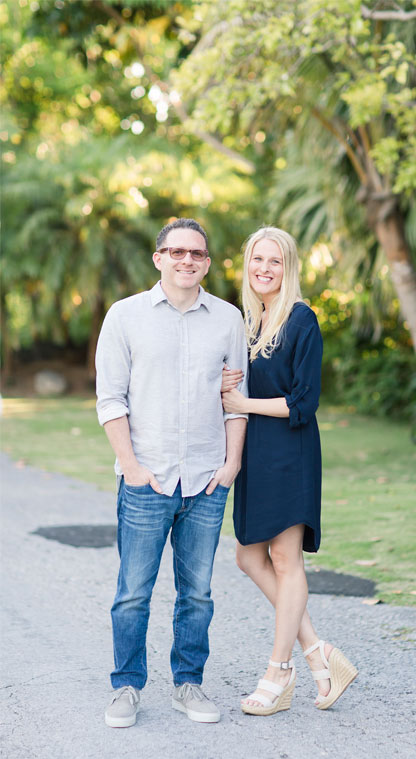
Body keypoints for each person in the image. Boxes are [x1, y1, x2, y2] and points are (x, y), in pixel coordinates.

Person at [95, 217, 249, 728]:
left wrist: (230, 465)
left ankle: (189, 683)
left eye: (197, 254)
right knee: (133, 592)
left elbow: (236, 402)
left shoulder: (228, 319)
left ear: (207, 263)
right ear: (158, 257)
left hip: (206, 480)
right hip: (147, 480)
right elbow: (110, 399)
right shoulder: (125, 316)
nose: (188, 260)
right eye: (177, 251)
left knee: (198, 593)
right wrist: (134, 469)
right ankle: (126, 687)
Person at [219, 226, 356, 716]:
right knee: (247, 557)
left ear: (289, 267)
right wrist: (227, 383)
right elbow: (233, 385)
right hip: (254, 453)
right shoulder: (245, 322)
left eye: (274, 261)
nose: (264, 269)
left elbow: (305, 402)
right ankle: (319, 653)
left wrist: (243, 401)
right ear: (247, 263)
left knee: (284, 558)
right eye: (257, 259)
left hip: (291, 452)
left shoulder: (302, 320)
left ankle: (280, 672)